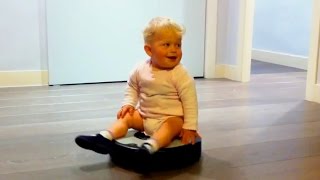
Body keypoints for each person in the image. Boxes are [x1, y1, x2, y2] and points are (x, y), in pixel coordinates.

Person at [75, 17, 200, 157]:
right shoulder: (140, 68)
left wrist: (190, 127)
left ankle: (150, 147)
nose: (174, 50)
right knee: (126, 117)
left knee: (172, 125)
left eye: (178, 45)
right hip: (145, 117)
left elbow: (190, 102)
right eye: (166, 44)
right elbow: (132, 87)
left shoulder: (181, 74)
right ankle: (104, 138)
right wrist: (128, 104)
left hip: (170, 119)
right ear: (149, 50)